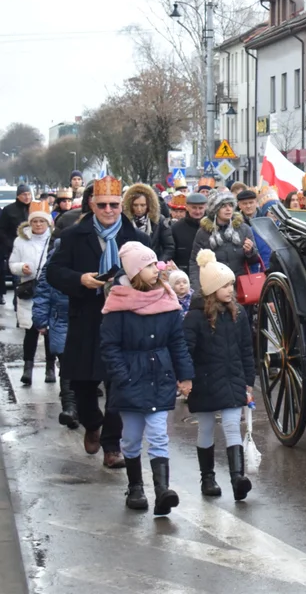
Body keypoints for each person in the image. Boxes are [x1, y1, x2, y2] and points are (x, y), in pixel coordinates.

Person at [46, 176, 151, 468]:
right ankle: (92, 423)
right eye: (102, 205)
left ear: (122, 206)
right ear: (92, 204)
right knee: (82, 384)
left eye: (114, 205)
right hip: (85, 318)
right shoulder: (72, 236)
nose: (108, 210)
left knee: (119, 383)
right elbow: (53, 272)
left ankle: (112, 445)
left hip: (123, 322)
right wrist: (80, 279)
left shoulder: (137, 240)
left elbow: (152, 275)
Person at [99, 242, 194, 514]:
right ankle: (136, 487)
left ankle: (162, 490)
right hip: (130, 378)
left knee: (158, 434)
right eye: (150, 266)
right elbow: (109, 346)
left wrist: (185, 376)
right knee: (130, 438)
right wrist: (122, 376)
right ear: (136, 271)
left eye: (155, 264)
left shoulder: (167, 300)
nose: (157, 270)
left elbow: (178, 342)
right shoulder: (118, 304)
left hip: (159, 375)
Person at [185, 249, 255, 500]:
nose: (230, 290)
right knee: (205, 427)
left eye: (231, 285)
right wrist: (186, 378)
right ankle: (208, 478)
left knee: (231, 425)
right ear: (212, 288)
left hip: (232, 378)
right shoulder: (194, 317)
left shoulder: (239, 314)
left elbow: (247, 348)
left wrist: (249, 381)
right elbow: (186, 349)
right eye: (224, 285)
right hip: (204, 381)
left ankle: (238, 478)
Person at [33, 242, 78, 429]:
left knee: (84, 365)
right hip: (61, 318)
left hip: (86, 317)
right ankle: (70, 408)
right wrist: (40, 320)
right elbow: (43, 289)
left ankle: (81, 407)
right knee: (67, 363)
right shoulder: (57, 257)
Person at [10, 203, 53, 385]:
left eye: (41, 221)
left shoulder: (54, 239)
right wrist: (21, 268)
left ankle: (50, 368)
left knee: (50, 331)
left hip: (50, 289)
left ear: (47, 223)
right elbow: (12, 264)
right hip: (29, 289)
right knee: (31, 331)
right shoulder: (20, 241)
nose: (38, 225)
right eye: (34, 221)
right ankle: (28, 368)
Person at [188, 190, 258, 294]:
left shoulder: (243, 229)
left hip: (239, 287)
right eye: (223, 206)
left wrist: (250, 251)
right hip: (215, 288)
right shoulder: (203, 232)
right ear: (215, 209)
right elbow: (195, 262)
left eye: (230, 205)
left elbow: (254, 260)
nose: (228, 209)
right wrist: (198, 289)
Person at [123, 183, 176, 264]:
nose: (139, 209)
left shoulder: (159, 220)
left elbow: (169, 247)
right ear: (130, 205)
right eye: (135, 205)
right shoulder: (124, 221)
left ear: (148, 205)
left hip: (154, 265)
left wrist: (158, 263)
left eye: (143, 205)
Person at [0, 184, 33, 306]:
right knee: (18, 279)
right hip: (14, 248)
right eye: (24, 194)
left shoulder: (34, 208)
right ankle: (18, 303)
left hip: (33, 248)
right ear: (18, 196)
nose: (27, 197)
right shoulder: (9, 210)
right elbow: (2, 230)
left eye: (29, 194)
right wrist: (10, 244)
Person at [172, 192, 206, 274]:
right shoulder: (176, 228)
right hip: (185, 273)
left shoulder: (211, 226)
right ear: (187, 207)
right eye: (194, 208)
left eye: (201, 208)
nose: (197, 211)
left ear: (206, 207)